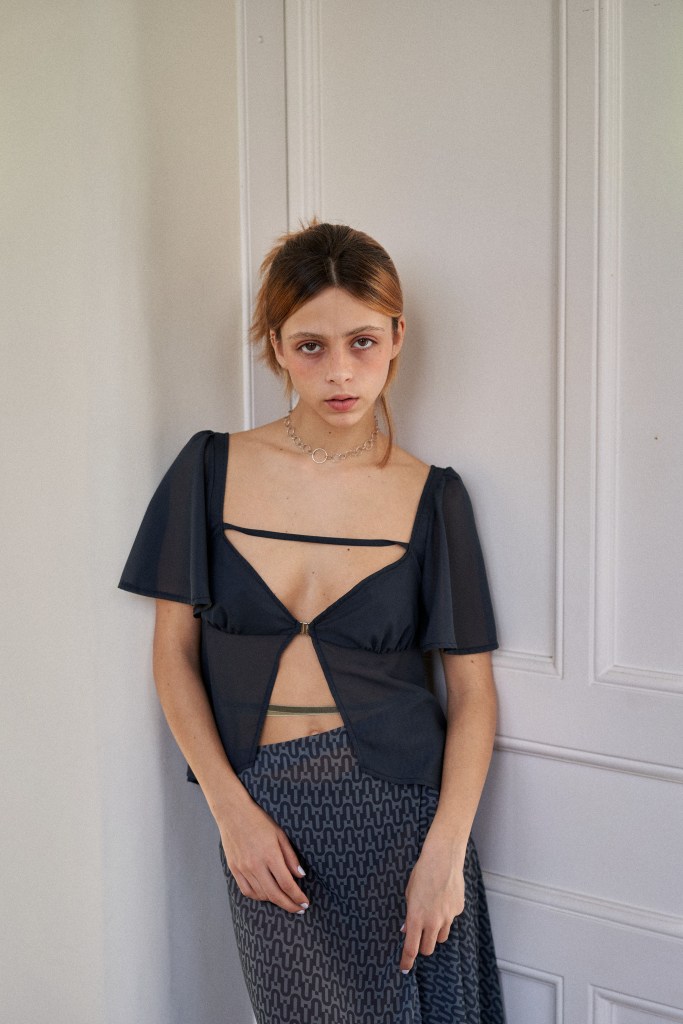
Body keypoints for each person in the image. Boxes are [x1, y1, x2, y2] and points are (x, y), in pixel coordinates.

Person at [118, 221, 506, 1023]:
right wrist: (231, 812)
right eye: (310, 346)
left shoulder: (434, 496)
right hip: (263, 816)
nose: (339, 372)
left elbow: (472, 695)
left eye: (362, 342)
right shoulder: (207, 469)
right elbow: (172, 656)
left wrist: (443, 854)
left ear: (396, 338)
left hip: (401, 818)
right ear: (275, 346)